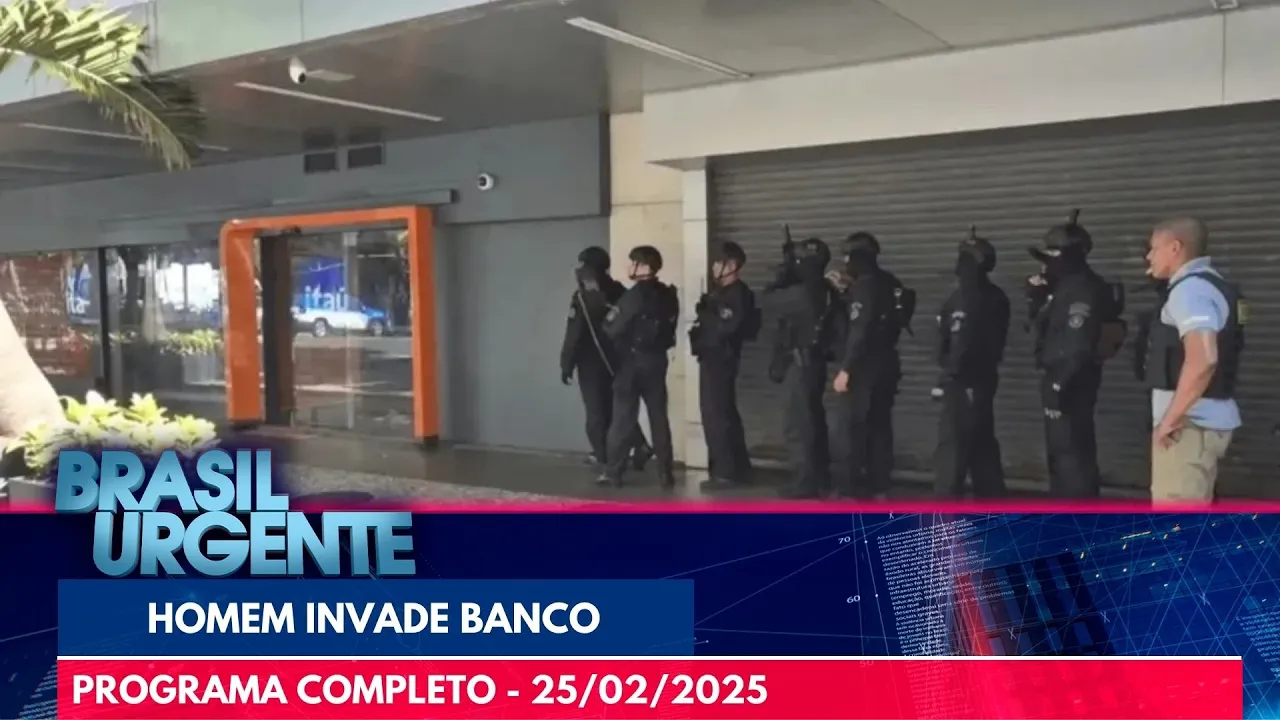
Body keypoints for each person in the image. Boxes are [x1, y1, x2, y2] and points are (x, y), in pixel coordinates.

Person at [1025, 210, 1126, 498]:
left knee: (1072, 455)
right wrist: (1037, 298)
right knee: (1061, 454)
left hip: (1072, 379)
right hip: (1062, 375)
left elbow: (1078, 343)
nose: (1046, 265)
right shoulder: (1064, 286)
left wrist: (1059, 383)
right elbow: (1046, 327)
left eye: (1052, 256)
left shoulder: (1082, 288)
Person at [1143, 217, 1244, 502]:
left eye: (1154, 248)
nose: (1149, 257)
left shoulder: (1190, 291)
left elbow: (1203, 359)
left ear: (1175, 248)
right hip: (1199, 424)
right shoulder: (1211, 285)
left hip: (1188, 428)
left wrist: (1170, 420)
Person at [831, 232, 912, 499]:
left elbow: (861, 329)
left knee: (851, 429)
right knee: (879, 427)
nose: (845, 263)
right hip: (887, 363)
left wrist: (846, 369)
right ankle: (880, 487)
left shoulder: (865, 286)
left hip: (864, 367)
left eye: (848, 257)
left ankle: (848, 490)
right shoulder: (890, 281)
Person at [931, 227, 1010, 498]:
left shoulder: (970, 298)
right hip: (981, 381)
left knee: (953, 450)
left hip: (964, 381)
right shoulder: (992, 296)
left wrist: (948, 376)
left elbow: (963, 343)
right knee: (981, 446)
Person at [559, 247, 653, 473]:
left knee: (596, 413)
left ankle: (604, 459)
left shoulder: (583, 298)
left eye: (583, 265)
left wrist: (566, 363)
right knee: (618, 410)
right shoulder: (620, 291)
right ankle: (639, 445)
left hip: (591, 364)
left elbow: (574, 334)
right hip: (617, 360)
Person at [598, 245, 680, 489]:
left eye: (633, 262)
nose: (629, 266)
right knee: (659, 418)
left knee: (622, 418)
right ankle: (665, 473)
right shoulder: (668, 294)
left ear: (644, 267)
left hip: (632, 363)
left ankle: (613, 472)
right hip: (657, 361)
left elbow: (611, 327)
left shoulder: (633, 296)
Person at [768, 237, 841, 499]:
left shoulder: (802, 292)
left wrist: (783, 275)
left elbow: (767, 300)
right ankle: (819, 477)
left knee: (798, 425)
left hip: (801, 365)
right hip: (814, 363)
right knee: (813, 421)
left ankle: (805, 483)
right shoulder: (825, 289)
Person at [689, 241, 760, 488]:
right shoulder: (721, 293)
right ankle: (737, 468)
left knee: (716, 415)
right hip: (712, 357)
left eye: (718, 262)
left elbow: (726, 327)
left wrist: (707, 312)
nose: (714, 267)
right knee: (723, 412)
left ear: (731, 265)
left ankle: (725, 472)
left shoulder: (737, 294)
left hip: (720, 358)